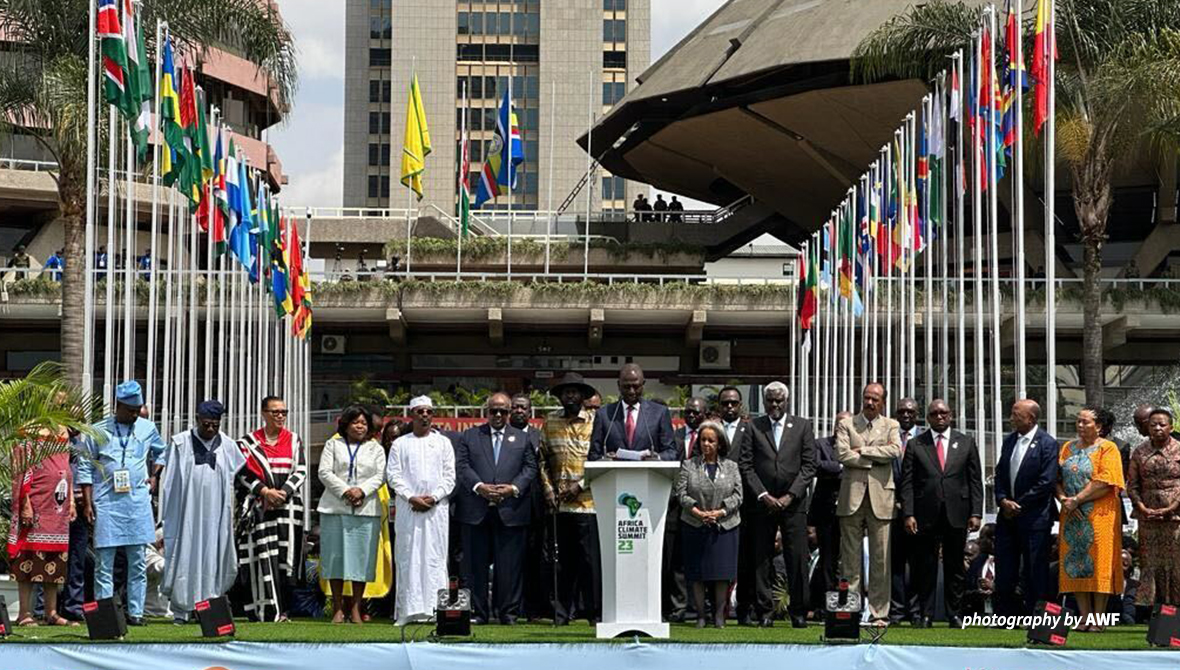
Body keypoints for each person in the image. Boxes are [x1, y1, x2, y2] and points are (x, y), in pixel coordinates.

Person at [76, 381, 166, 626]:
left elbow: (162, 452)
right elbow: (85, 466)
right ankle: (105, 613)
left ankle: (135, 613)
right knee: (104, 561)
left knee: (137, 560)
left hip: (137, 502)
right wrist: (87, 503)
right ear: (118, 406)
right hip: (106, 502)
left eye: (138, 410)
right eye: (130, 410)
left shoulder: (147, 428)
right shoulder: (98, 430)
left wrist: (155, 475)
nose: (135, 414)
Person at [158, 400, 247, 622]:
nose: (210, 429)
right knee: (185, 554)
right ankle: (182, 608)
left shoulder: (228, 446)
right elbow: (169, 484)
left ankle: (210, 606)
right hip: (186, 514)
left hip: (215, 515)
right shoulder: (180, 443)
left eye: (215, 425)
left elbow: (237, 474)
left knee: (213, 556)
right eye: (206, 424)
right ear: (197, 419)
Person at [455, 393, 537, 624]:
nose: (498, 415)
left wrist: (512, 488)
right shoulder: (470, 436)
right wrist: (479, 486)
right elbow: (462, 466)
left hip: (511, 509)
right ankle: (478, 613)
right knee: (475, 566)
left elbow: (530, 468)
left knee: (509, 567)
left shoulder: (521, 438)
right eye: (494, 411)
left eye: (503, 411)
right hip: (476, 510)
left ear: (510, 412)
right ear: (486, 412)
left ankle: (508, 613)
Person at [740, 382, 816, 628]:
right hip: (762, 504)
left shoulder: (803, 426)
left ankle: (799, 611)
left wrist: (790, 496)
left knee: (797, 557)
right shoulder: (753, 427)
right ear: (764, 402)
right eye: (770, 401)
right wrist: (763, 495)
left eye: (779, 401)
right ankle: (764, 611)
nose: (775, 405)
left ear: (787, 401)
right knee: (761, 558)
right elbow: (746, 465)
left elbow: (808, 466)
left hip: (793, 504)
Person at [900, 400, 981, 628]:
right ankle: (925, 614)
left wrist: (976, 512)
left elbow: (975, 480)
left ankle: (954, 614)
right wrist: (908, 513)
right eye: (934, 413)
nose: (939, 417)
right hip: (925, 515)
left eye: (943, 412)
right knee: (925, 566)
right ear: (928, 418)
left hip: (957, 514)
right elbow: (907, 483)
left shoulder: (965, 442)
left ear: (951, 415)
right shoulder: (917, 444)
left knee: (955, 566)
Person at [236, 395, 308, 622]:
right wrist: (265, 492)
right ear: (264, 414)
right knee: (261, 558)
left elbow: (301, 470)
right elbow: (242, 473)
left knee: (286, 560)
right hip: (260, 507)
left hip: (288, 507)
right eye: (275, 412)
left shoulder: (294, 440)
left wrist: (283, 492)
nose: (280, 416)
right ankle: (262, 611)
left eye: (284, 412)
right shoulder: (248, 442)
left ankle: (284, 610)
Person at [835, 383, 902, 626]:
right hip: (851, 497)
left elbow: (894, 451)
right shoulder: (847, 423)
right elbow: (841, 454)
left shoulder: (892, 425)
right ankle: (849, 612)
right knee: (850, 560)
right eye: (867, 397)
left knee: (880, 560)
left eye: (875, 398)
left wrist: (862, 450)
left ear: (883, 402)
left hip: (882, 498)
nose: (870, 402)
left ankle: (878, 614)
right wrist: (874, 458)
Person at [387, 396, 456, 625]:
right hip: (409, 509)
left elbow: (449, 477)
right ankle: (408, 611)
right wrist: (411, 497)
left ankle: (436, 611)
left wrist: (434, 497)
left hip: (436, 511)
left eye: (428, 411)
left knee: (435, 558)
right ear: (412, 415)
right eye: (420, 411)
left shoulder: (443, 443)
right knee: (408, 556)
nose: (424, 415)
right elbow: (394, 476)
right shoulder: (400, 444)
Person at [538, 372, 600, 625]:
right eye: (566, 392)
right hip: (559, 506)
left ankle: (594, 615)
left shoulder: (596, 421)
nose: (570, 395)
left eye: (575, 391)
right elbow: (541, 459)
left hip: (588, 504)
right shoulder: (550, 421)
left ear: (584, 396)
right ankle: (561, 614)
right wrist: (548, 490)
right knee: (561, 564)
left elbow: (599, 460)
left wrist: (580, 485)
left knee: (589, 564)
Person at [1057, 405, 1125, 632]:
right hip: (1071, 514)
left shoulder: (1108, 448)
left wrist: (1078, 499)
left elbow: (1106, 481)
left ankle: (1099, 619)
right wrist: (1064, 498)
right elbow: (1055, 476)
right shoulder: (1067, 447)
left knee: (1099, 562)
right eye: (1078, 421)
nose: (1080, 425)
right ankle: (1084, 618)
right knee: (1076, 562)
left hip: (1100, 514)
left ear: (1099, 426)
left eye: (1086, 422)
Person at [318, 406, 387, 624]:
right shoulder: (333, 444)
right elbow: (324, 472)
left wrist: (361, 491)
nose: (360, 426)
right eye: (355, 422)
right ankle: (338, 607)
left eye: (364, 423)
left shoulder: (375, 448)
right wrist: (346, 491)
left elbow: (381, 475)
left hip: (365, 510)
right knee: (335, 558)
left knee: (361, 560)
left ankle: (356, 608)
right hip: (334, 508)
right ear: (346, 424)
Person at [993, 399, 1060, 616]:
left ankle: (1037, 615)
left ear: (1030, 418)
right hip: (1007, 516)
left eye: (1016, 414)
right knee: (1005, 569)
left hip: (1034, 518)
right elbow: (1000, 474)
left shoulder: (1047, 443)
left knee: (1034, 570)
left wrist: (1019, 503)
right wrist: (1003, 500)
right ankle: (1005, 615)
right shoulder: (1009, 440)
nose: (1011, 418)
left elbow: (1046, 481)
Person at [675, 421, 742, 629]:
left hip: (725, 525)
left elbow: (738, 496)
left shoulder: (731, 466)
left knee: (721, 573)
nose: (706, 444)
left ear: (720, 443)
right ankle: (701, 616)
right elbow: (681, 493)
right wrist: (697, 512)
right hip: (695, 523)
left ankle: (719, 616)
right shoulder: (689, 464)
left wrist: (720, 512)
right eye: (703, 440)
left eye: (711, 440)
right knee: (697, 573)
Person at [8, 424, 75, 627]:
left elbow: (67, 469)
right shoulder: (31, 429)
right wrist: (25, 502)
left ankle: (51, 612)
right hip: (36, 504)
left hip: (58, 507)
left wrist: (71, 500)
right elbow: (21, 469)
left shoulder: (64, 431)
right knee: (28, 558)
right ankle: (24, 613)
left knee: (54, 559)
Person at [1126, 406, 1180, 607]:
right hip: (1147, 517)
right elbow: (1132, 484)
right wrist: (1142, 506)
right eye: (1153, 425)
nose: (1157, 428)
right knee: (1150, 564)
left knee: (1175, 564)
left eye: (1162, 424)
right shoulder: (1140, 451)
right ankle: (1154, 610)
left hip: (1175, 517)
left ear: (1171, 427)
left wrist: (1171, 507)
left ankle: (1175, 608)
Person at [666, 397, 707, 622]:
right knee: (677, 560)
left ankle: (700, 607)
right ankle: (679, 607)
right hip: (675, 506)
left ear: (705, 414)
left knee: (700, 559)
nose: (692, 416)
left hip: (702, 506)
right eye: (688, 412)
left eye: (697, 413)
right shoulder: (675, 436)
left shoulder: (710, 437)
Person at [509, 393, 549, 620]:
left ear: (530, 411)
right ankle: (508, 608)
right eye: (515, 407)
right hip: (509, 507)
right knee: (511, 561)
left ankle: (534, 609)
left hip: (535, 508)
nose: (519, 411)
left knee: (535, 560)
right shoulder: (501, 436)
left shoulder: (538, 436)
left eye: (523, 408)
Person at [808, 411, 850, 616]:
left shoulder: (856, 444)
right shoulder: (821, 444)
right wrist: (844, 466)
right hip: (825, 512)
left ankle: (847, 604)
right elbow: (817, 466)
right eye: (839, 425)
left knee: (849, 560)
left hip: (850, 510)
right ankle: (826, 606)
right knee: (827, 560)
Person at [589, 363, 677, 461]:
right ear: (619, 385)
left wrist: (658, 458)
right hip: (615, 474)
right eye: (627, 387)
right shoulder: (604, 414)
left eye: (636, 387)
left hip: (648, 473)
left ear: (643, 384)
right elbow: (593, 454)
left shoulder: (659, 413)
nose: (631, 392)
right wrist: (604, 459)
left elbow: (671, 452)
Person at [890, 397, 922, 625]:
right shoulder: (889, 435)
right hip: (890, 509)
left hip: (920, 511)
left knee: (919, 563)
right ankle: (897, 611)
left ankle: (917, 612)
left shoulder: (926, 439)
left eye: (910, 411)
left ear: (917, 414)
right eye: (901, 411)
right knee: (895, 563)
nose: (906, 415)